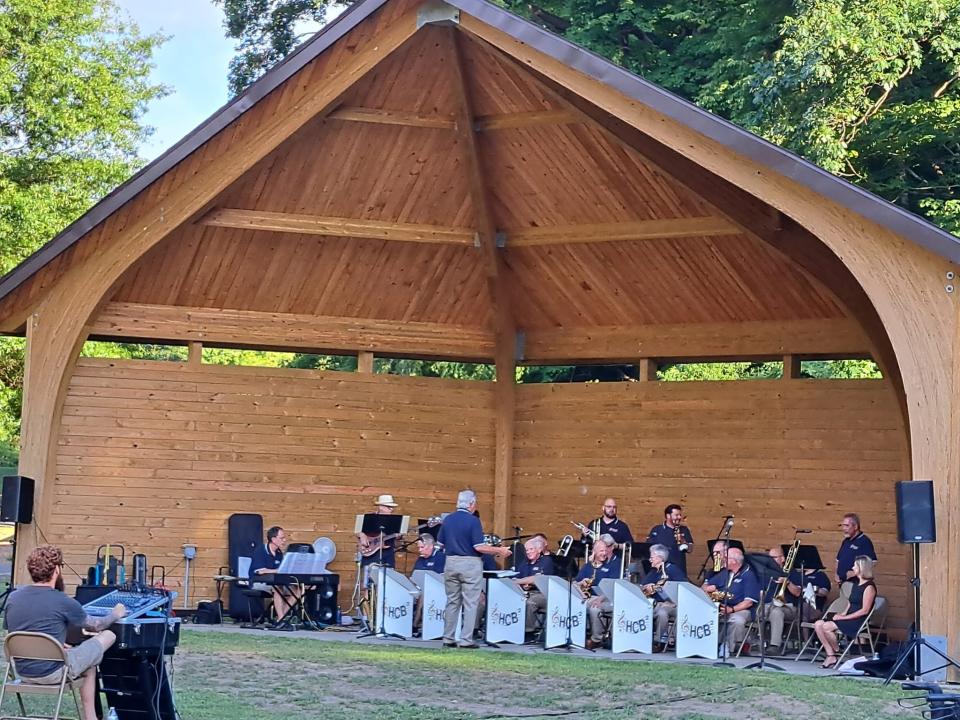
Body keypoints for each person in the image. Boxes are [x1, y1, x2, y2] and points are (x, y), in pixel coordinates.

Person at [3, 545, 126, 720]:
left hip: (23, 672)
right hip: (52, 673)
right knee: (108, 637)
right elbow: (97, 625)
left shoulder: (13, 597)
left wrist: (55, 647)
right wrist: (116, 613)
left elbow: (17, 634)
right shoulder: (62, 601)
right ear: (56, 570)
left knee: (87, 662)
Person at [437, 489, 512, 648]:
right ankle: (466, 640)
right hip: (470, 564)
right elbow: (479, 547)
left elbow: (441, 544)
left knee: (452, 601)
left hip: (450, 562)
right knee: (471, 602)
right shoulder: (473, 521)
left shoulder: (448, 519)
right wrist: (500, 550)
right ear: (471, 504)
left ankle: (448, 638)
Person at [764, 546, 831, 654]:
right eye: (769, 558)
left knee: (777, 612)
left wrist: (787, 582)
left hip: (789, 607)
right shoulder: (766, 572)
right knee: (757, 609)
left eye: (773, 558)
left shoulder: (794, 574)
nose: (770, 561)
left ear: (782, 559)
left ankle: (774, 645)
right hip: (769, 605)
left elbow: (798, 592)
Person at [814, 556, 877, 669]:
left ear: (862, 568)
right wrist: (842, 614)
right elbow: (850, 603)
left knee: (827, 627)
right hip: (847, 617)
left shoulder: (869, 587)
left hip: (857, 620)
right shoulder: (856, 584)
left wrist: (843, 618)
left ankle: (837, 650)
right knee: (818, 624)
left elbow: (865, 610)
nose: (853, 567)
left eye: (855, 566)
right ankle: (831, 654)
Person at [703, 547, 760, 654]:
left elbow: (749, 602)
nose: (722, 559)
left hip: (741, 609)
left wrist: (732, 609)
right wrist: (708, 588)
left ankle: (727, 647)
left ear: (734, 561)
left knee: (736, 620)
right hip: (721, 606)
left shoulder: (749, 575)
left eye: (726, 557)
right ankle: (706, 645)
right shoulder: (725, 573)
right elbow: (705, 585)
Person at [576, 534, 622, 649]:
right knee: (575, 604)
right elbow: (575, 583)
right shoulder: (588, 566)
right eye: (601, 551)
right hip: (589, 597)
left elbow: (614, 587)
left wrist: (600, 598)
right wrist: (581, 584)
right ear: (594, 552)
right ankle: (576, 636)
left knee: (594, 609)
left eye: (605, 550)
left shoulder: (613, 565)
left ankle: (596, 639)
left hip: (607, 599)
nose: (604, 553)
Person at [638, 543, 686, 651]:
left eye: (652, 557)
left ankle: (658, 642)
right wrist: (648, 587)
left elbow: (684, 587)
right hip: (656, 603)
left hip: (673, 605)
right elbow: (642, 586)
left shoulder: (672, 569)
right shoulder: (654, 571)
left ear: (660, 558)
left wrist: (672, 600)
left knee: (662, 612)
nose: (650, 560)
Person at [249, 525, 301, 624]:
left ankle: (280, 618)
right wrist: (278, 570)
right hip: (258, 583)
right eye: (282, 538)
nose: (284, 540)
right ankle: (281, 620)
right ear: (273, 539)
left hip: (275, 582)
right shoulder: (260, 551)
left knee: (298, 590)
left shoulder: (279, 553)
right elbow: (261, 572)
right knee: (278, 587)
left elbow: (281, 570)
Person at [513, 536, 556, 636]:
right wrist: (522, 583)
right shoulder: (524, 562)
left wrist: (520, 581)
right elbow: (515, 577)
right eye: (526, 550)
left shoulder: (546, 561)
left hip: (543, 594)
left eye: (531, 549)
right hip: (524, 592)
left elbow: (537, 579)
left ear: (539, 550)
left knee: (530, 602)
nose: (528, 552)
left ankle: (528, 632)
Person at [411, 533, 445, 635]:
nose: (420, 550)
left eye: (422, 547)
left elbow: (440, 577)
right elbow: (414, 576)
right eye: (418, 547)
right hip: (419, 587)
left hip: (438, 589)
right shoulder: (421, 559)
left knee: (424, 594)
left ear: (431, 546)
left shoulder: (440, 557)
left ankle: (414, 626)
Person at [646, 504, 694, 576]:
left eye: (680, 515)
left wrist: (683, 541)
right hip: (660, 569)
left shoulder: (684, 529)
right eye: (676, 515)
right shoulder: (657, 529)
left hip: (679, 568)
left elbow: (690, 549)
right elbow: (648, 548)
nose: (679, 517)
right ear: (668, 516)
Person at [358, 494, 400, 574]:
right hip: (371, 554)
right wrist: (362, 535)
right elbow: (357, 531)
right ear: (381, 507)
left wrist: (399, 537)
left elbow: (398, 543)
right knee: (369, 581)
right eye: (389, 507)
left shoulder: (395, 520)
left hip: (388, 554)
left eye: (392, 508)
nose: (391, 510)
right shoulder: (370, 518)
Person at [836, 513, 877, 586]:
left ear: (856, 527)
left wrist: (854, 573)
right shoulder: (846, 541)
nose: (844, 528)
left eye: (847, 525)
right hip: (842, 583)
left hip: (856, 584)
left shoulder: (864, 541)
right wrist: (837, 574)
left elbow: (872, 562)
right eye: (843, 525)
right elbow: (838, 559)